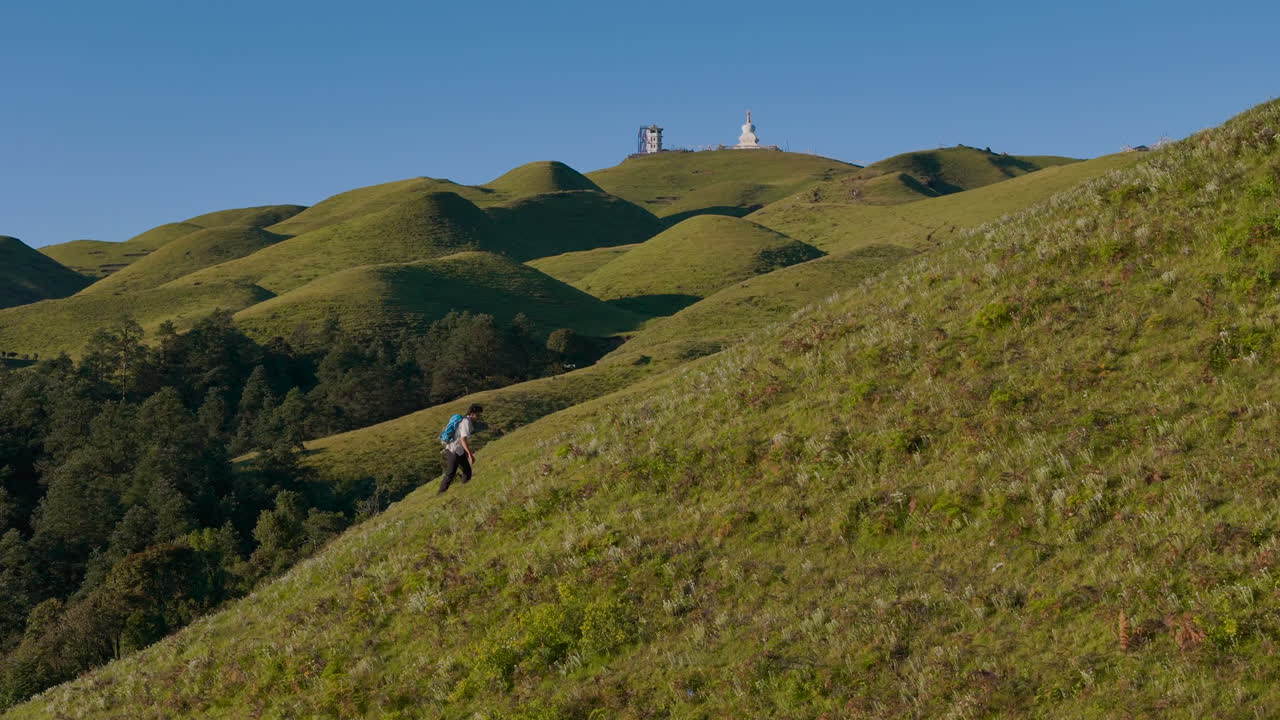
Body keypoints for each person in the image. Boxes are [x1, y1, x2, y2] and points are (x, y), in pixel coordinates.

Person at [438, 404, 483, 494]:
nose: (478, 417)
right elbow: (463, 439)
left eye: (479, 415)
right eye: (477, 415)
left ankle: (465, 490)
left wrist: (466, 452)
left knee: (467, 471)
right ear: (471, 413)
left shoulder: (466, 421)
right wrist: (469, 453)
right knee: (450, 473)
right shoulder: (466, 422)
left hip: (459, 450)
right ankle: (440, 493)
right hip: (453, 450)